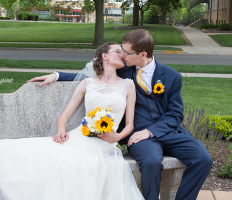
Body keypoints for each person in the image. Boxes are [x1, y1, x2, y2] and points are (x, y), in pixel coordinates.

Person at [28, 29, 213, 200]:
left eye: (126, 52)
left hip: (170, 133)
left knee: (203, 159)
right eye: (121, 51)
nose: (122, 55)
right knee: (151, 163)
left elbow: (175, 114)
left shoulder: (172, 77)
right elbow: (90, 78)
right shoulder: (123, 71)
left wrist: (150, 131)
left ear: (143, 54)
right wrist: (57, 75)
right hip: (138, 138)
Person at [0, 42, 145, 200]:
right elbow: (65, 116)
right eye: (118, 51)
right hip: (79, 136)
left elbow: (130, 124)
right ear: (104, 56)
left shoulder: (128, 85)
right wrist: (61, 130)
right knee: (41, 147)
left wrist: (117, 136)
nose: (123, 55)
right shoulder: (88, 83)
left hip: (103, 144)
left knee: (55, 157)